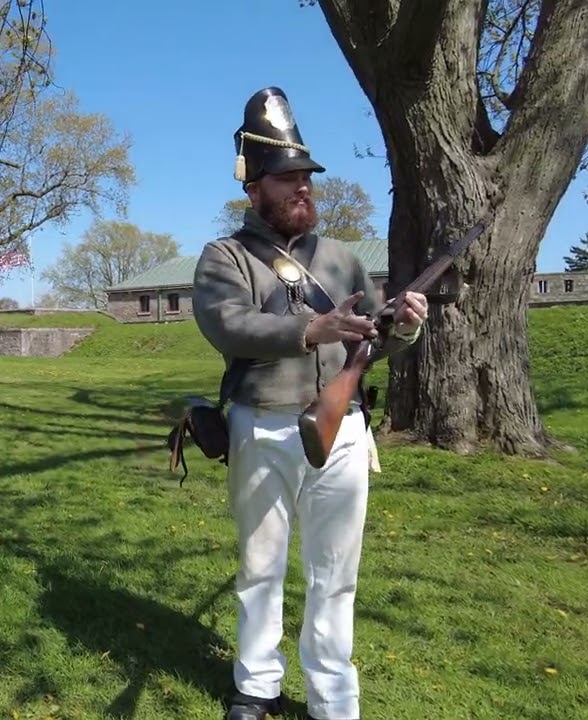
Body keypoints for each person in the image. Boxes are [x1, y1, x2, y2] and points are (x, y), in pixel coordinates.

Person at [191, 87, 428, 720]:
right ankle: (257, 687)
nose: (301, 187)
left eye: (305, 177)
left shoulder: (343, 259)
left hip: (343, 430)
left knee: (335, 575)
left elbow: (371, 346)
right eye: (286, 178)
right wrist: (309, 330)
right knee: (261, 567)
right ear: (255, 187)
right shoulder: (226, 257)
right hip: (262, 425)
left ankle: (333, 699)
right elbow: (227, 324)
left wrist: (403, 327)